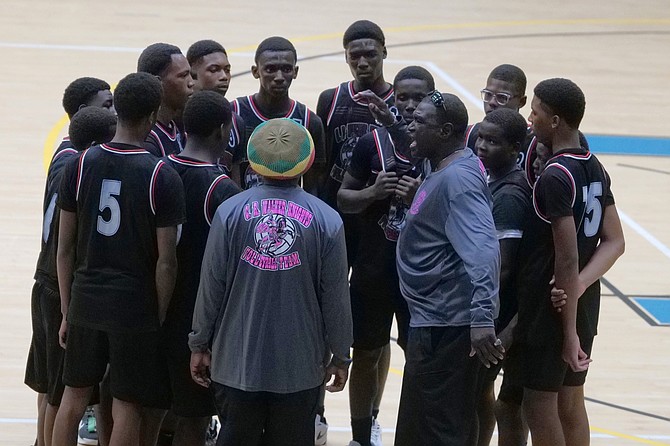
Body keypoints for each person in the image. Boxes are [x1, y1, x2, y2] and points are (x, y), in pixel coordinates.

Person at [189, 118, 353, 446]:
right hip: (300, 368)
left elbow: (211, 285)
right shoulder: (328, 220)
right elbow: (335, 296)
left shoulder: (230, 212)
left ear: (252, 162)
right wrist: (341, 353)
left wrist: (198, 343)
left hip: (236, 364)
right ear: (307, 162)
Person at [51, 72, 186, 446]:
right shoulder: (161, 173)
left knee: (73, 396)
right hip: (133, 305)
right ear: (152, 114)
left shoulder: (79, 164)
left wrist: (67, 308)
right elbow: (166, 261)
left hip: (85, 300)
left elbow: (65, 249)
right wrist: (157, 314)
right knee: (127, 403)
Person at [515, 78, 624, 446]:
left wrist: (568, 329)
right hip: (581, 297)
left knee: (538, 404)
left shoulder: (555, 176)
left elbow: (567, 256)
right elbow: (614, 242)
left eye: (536, 111)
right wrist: (581, 284)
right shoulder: (594, 166)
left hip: (554, 303)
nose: (530, 119)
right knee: (571, 401)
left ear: (556, 121)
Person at [394, 91, 503, 445]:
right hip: (432, 321)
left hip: (446, 328)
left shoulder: (458, 181)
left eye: (419, 122)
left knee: (441, 431)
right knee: (420, 428)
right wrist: (393, 125)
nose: (411, 125)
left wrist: (483, 317)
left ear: (445, 132)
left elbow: (484, 251)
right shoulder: (445, 164)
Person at [337, 66, 433, 446]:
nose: (409, 105)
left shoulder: (442, 150)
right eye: (403, 97)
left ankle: (410, 434)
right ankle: (362, 435)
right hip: (372, 272)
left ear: (432, 100)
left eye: (418, 98)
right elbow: (344, 198)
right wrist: (371, 194)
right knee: (365, 355)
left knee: (419, 362)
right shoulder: (371, 143)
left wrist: (419, 199)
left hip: (422, 278)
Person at [24, 104, 115, 446]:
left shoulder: (65, 155)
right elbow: (69, 246)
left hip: (47, 278)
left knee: (52, 388)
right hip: (60, 285)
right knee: (59, 394)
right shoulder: (80, 169)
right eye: (106, 104)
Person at [162, 91, 240, 446]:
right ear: (224, 130)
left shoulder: (158, 169)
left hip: (157, 308)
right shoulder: (222, 189)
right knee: (194, 421)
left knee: (150, 413)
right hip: (199, 319)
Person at [474, 108, 533, 446]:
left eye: (492, 141)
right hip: (497, 311)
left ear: (514, 149)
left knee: (481, 393)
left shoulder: (509, 194)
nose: (481, 145)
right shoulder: (493, 179)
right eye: (481, 137)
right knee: (481, 393)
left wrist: (479, 311)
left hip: (498, 313)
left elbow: (504, 265)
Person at [230, 36, 325, 194]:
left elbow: (312, 187)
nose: (279, 77)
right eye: (270, 69)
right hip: (244, 212)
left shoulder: (309, 121)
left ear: (295, 72)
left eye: (286, 69)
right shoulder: (234, 113)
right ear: (255, 71)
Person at [187, 39, 246, 176]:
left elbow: (236, 180)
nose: (224, 77)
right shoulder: (182, 118)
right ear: (192, 74)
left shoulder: (236, 123)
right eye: (214, 70)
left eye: (227, 70)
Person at [138, 43, 194, 157]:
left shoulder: (175, 127)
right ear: (158, 83)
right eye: (183, 76)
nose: (191, 83)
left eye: (190, 75)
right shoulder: (147, 141)